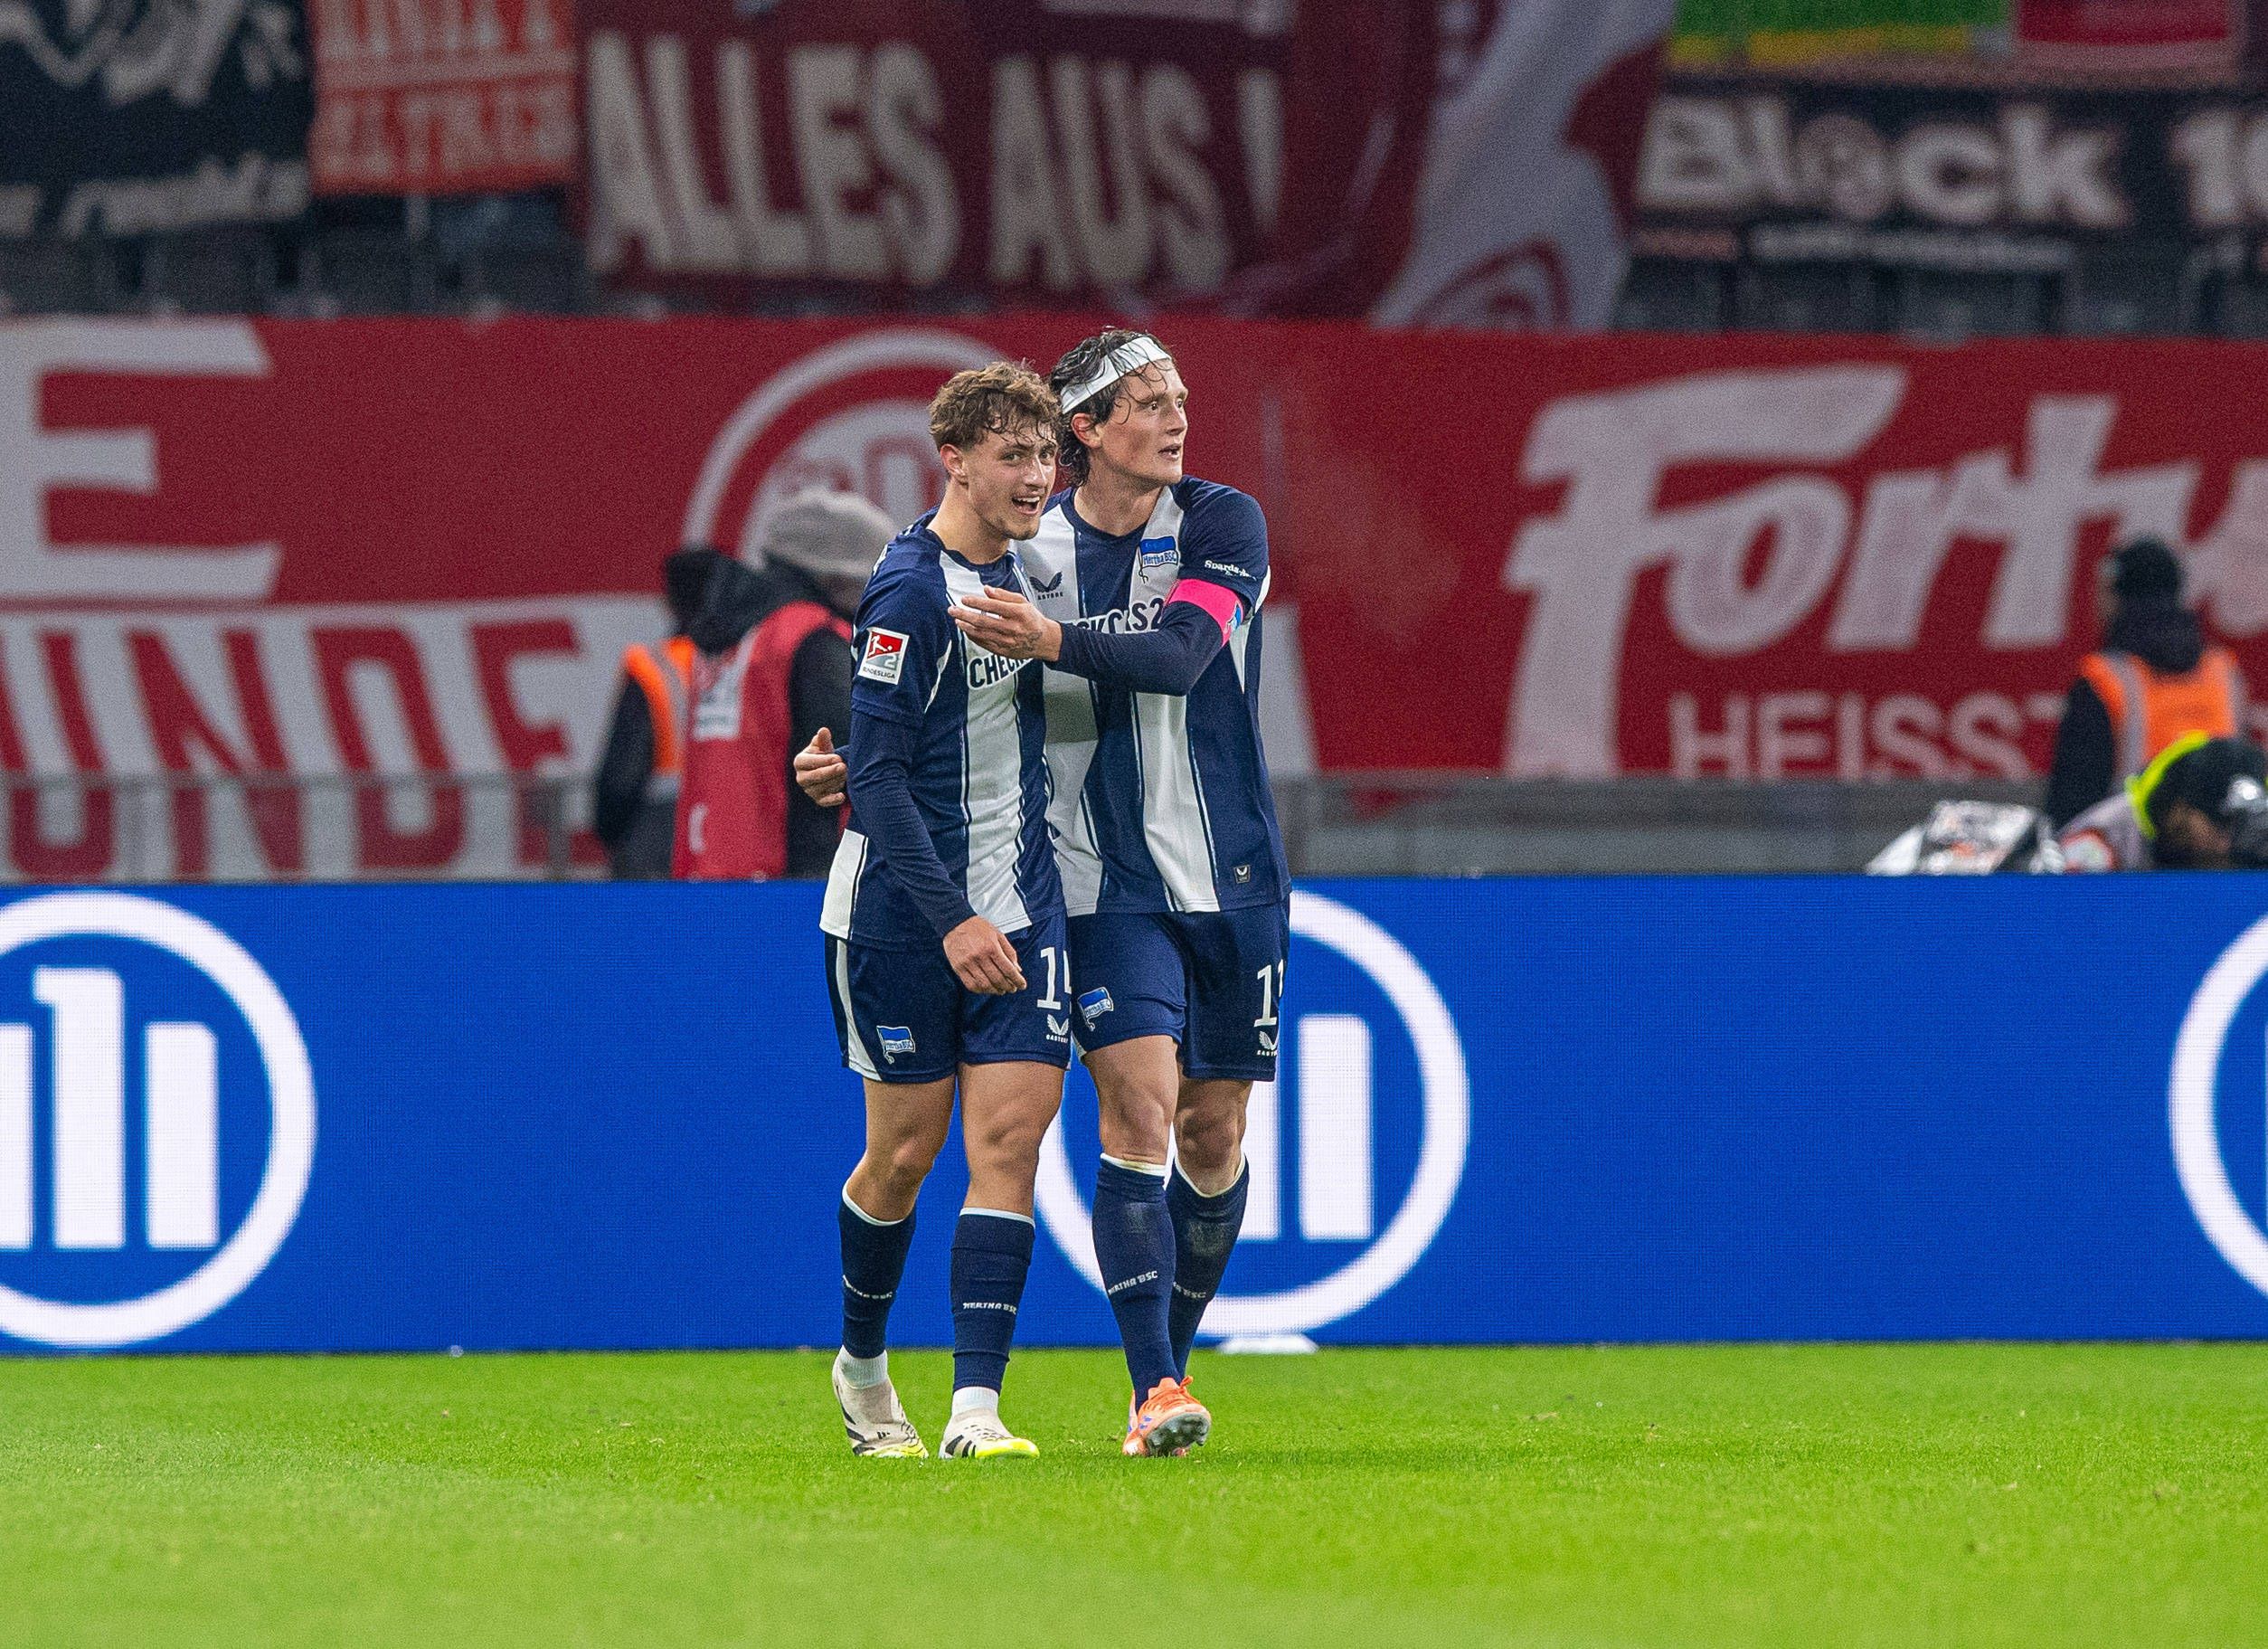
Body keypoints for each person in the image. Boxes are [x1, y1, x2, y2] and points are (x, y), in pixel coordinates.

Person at [801, 330, 1285, 1460]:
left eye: (1181, 396)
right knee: (1076, 1123)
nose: (1176, 418)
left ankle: (1121, 1365)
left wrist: (887, 749)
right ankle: (1107, 1386)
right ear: (1084, 432)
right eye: (1150, 401)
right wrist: (855, 768)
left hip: (1227, 874)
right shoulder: (1001, 556)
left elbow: (1171, 657)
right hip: (1082, 884)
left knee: (1208, 1137)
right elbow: (918, 710)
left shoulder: (1216, 525)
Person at [820, 364, 1072, 1461]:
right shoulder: (914, 590)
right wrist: (951, 918)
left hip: (1026, 905)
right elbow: (873, 782)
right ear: (956, 458)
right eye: (1014, 455)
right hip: (903, 918)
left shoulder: (1039, 575)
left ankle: (977, 1409)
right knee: (906, 1156)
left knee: (1009, 1141)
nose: (1036, 476)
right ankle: (863, 1366)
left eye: (1047, 456)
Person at [673, 490, 889, 880]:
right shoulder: (813, 638)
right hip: (793, 876)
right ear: (835, 576)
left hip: (708, 866)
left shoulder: (728, 635)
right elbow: (840, 762)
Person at [2042, 537, 2244, 829]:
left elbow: (2073, 798)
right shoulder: (2225, 671)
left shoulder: (2103, 678)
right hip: (2219, 854)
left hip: (2128, 858)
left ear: (2116, 596)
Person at [591, 548, 709, 877]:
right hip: (727, 829)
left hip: (657, 834)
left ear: (669, 600)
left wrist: (609, 830)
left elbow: (623, 773)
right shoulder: (747, 659)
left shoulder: (652, 667)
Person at [2058, 734, 2268, 872]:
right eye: (2222, 825)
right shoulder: (2101, 838)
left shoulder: (2254, 838)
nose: (2226, 845)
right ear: (2182, 808)